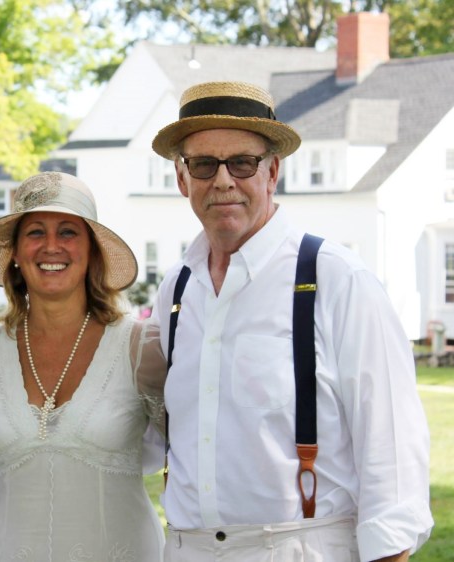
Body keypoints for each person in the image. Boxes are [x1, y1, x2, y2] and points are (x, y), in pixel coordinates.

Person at [149, 81, 434, 562]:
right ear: (183, 179)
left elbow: (394, 462)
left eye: (242, 162)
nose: (223, 181)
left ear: (272, 172)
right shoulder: (177, 290)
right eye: (203, 164)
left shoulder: (338, 280)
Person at [0, 171, 167, 561]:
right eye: (34, 233)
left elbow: (199, 456)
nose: (51, 246)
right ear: (14, 252)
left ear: (92, 250)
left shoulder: (140, 348)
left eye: (67, 232)